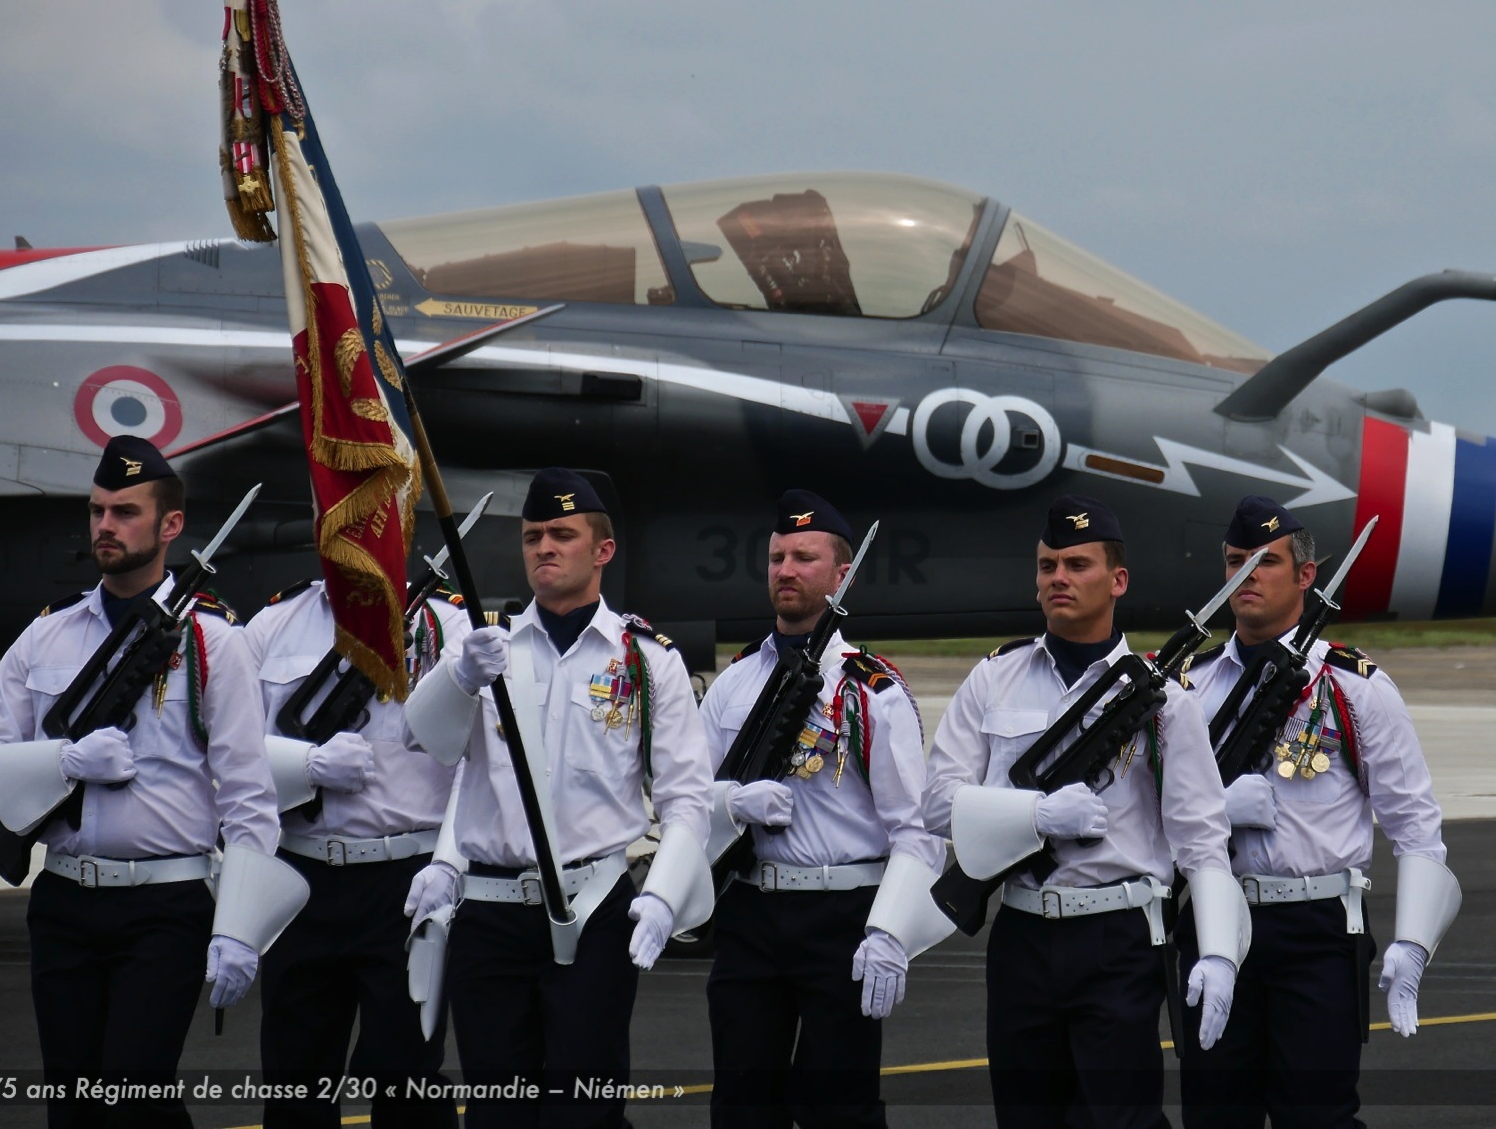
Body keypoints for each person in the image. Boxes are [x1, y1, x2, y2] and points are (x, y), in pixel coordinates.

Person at [0, 436, 296, 1129]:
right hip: (62, 899)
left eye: (123, 511)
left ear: (169, 525)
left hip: (166, 906)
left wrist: (239, 927)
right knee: (73, 1100)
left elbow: (247, 797)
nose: (104, 526)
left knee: (130, 1091)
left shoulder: (214, 641)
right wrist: (62, 762)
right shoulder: (47, 634)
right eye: (96, 511)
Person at [403, 469, 716, 1127]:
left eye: (563, 534)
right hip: (490, 917)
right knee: (496, 1114)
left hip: (593, 908)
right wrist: (458, 678)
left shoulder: (645, 660)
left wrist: (663, 894)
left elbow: (687, 797)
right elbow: (429, 745)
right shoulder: (485, 646)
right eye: (533, 535)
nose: (544, 546)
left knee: (585, 1113)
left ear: (602, 550)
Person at [923, 495, 1243, 1129]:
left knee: (1117, 1119)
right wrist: (1035, 816)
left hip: (1116, 939)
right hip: (1020, 935)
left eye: (1076, 564)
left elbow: (1202, 840)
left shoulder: (1163, 700)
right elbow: (936, 804)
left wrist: (1219, 951)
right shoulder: (995, 678)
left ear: (1117, 580)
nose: (1057, 579)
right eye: (1047, 565)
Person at [1175, 496, 1459, 1129]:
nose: (1246, 575)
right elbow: (1146, 815)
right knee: (1215, 1115)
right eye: (1234, 561)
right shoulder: (1187, 688)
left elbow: (1414, 825)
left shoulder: (1355, 687)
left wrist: (1414, 941)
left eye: (1266, 562)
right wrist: (1217, 809)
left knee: (1319, 1117)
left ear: (1306, 577)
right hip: (1215, 919)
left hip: (1318, 929)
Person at [699, 490, 948, 1128]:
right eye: (778, 556)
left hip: (841, 918)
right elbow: (687, 800)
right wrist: (732, 800)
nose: (786, 569)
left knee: (841, 1108)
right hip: (750, 911)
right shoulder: (734, 684)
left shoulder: (873, 690)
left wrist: (889, 931)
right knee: (740, 1104)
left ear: (842, 575)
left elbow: (915, 833)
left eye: (805, 557)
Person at [248, 566, 472, 1128]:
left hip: (407, 881)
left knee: (407, 1081)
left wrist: (449, 865)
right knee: (293, 1078)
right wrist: (306, 765)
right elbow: (231, 755)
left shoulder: (448, 625)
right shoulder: (274, 624)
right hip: (299, 881)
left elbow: (480, 766)